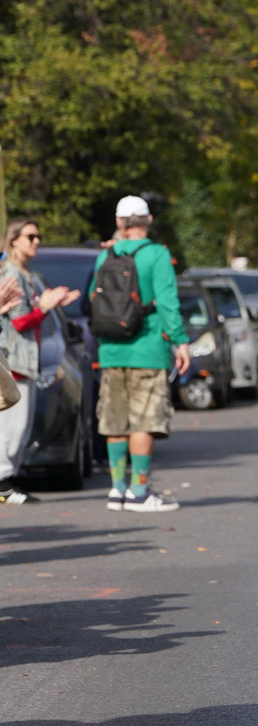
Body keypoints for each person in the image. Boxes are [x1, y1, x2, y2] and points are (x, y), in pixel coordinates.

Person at [90, 196, 190, 513]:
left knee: (115, 423)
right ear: (148, 220)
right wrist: (180, 342)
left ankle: (117, 489)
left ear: (119, 222)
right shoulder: (157, 254)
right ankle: (139, 490)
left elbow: (94, 298)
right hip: (147, 350)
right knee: (143, 422)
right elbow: (167, 302)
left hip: (111, 351)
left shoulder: (105, 255)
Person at [0, 219, 80, 504]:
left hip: (25, 361)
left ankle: (7, 481)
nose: (36, 241)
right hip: (15, 361)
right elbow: (20, 321)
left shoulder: (27, 274)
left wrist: (48, 304)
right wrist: (45, 306)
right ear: (14, 240)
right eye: (30, 236)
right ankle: (2, 483)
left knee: (20, 427)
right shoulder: (11, 273)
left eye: (38, 237)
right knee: (12, 426)